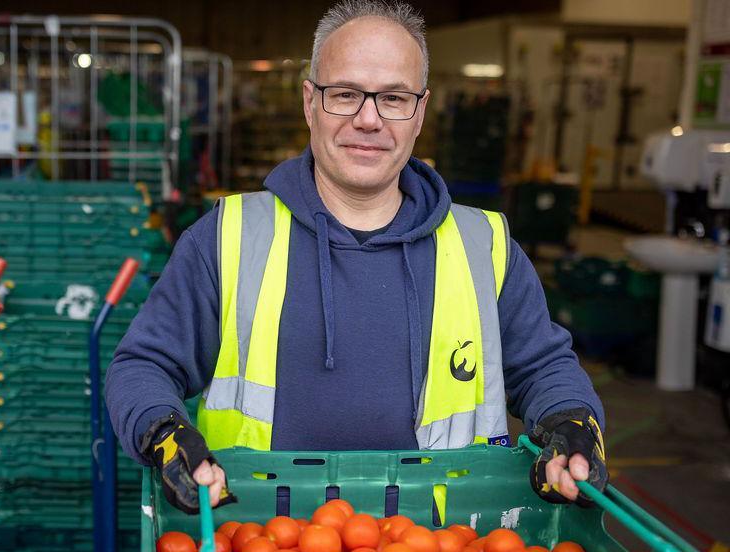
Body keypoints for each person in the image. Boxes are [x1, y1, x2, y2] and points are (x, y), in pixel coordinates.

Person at [106, 0, 606, 514]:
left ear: (421, 112)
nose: (368, 120)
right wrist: (163, 429)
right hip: (256, 541)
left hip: (439, 549)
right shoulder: (229, 236)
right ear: (310, 102)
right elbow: (143, 364)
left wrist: (573, 420)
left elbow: (544, 368)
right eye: (345, 94)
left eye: (393, 97)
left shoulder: (485, 246)